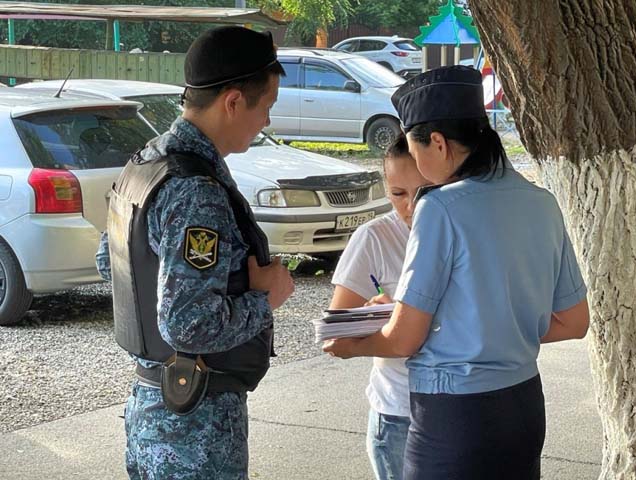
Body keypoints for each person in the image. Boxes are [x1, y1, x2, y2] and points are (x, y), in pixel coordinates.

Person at [323, 65, 590, 480]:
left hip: (457, 417)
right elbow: (574, 321)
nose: (416, 164)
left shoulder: (440, 207)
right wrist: (495, 327)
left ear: (438, 143)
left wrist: (350, 345)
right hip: (523, 408)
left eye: (414, 152)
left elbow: (404, 337)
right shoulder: (542, 201)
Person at [95, 26, 294, 479]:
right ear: (233, 101)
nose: (267, 121)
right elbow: (188, 324)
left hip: (152, 410)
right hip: (195, 430)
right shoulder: (196, 192)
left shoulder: (147, 163)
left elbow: (110, 263)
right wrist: (266, 298)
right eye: (267, 106)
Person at [329, 135, 430, 480]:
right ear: (385, 189)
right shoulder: (374, 238)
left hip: (459, 406)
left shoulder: (461, 229)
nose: (411, 207)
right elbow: (335, 337)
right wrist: (387, 318)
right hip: (400, 413)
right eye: (398, 194)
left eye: (424, 192)